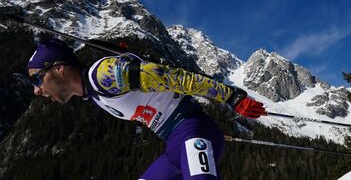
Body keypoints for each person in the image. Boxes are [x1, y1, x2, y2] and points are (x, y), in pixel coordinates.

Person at [27, 38, 267, 180]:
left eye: (37, 80)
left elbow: (174, 78)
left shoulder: (103, 75)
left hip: (194, 132)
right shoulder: (91, 92)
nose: (37, 91)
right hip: (174, 147)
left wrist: (231, 96)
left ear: (58, 68)